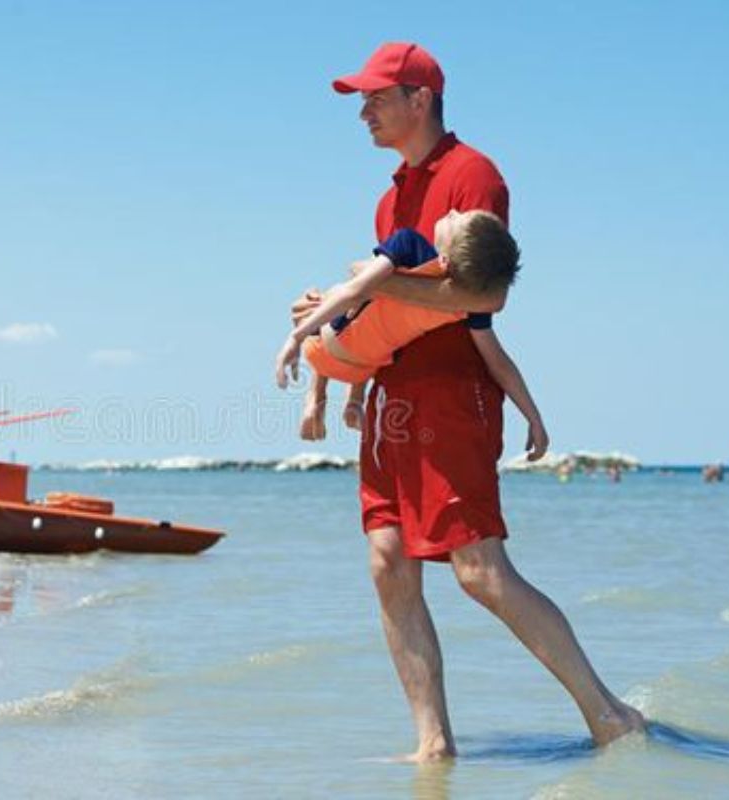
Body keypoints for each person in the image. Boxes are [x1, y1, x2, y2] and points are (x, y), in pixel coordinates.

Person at [292, 42, 644, 760]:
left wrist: (368, 286)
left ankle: (608, 715)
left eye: (375, 97)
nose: (363, 111)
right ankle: (433, 745)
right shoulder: (390, 194)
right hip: (395, 396)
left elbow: (484, 292)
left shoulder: (473, 174)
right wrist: (342, 325)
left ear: (420, 98)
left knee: (481, 573)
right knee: (388, 564)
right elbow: (394, 304)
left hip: (455, 395)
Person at [275, 211, 548, 466]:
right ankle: (354, 403)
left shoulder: (409, 243)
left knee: (333, 295)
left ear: (444, 260)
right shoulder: (468, 306)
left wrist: (296, 337)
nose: (453, 211)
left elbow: (354, 289)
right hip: (362, 366)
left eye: (458, 219)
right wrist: (533, 418)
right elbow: (499, 362)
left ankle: (316, 398)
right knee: (383, 334)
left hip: (323, 345)